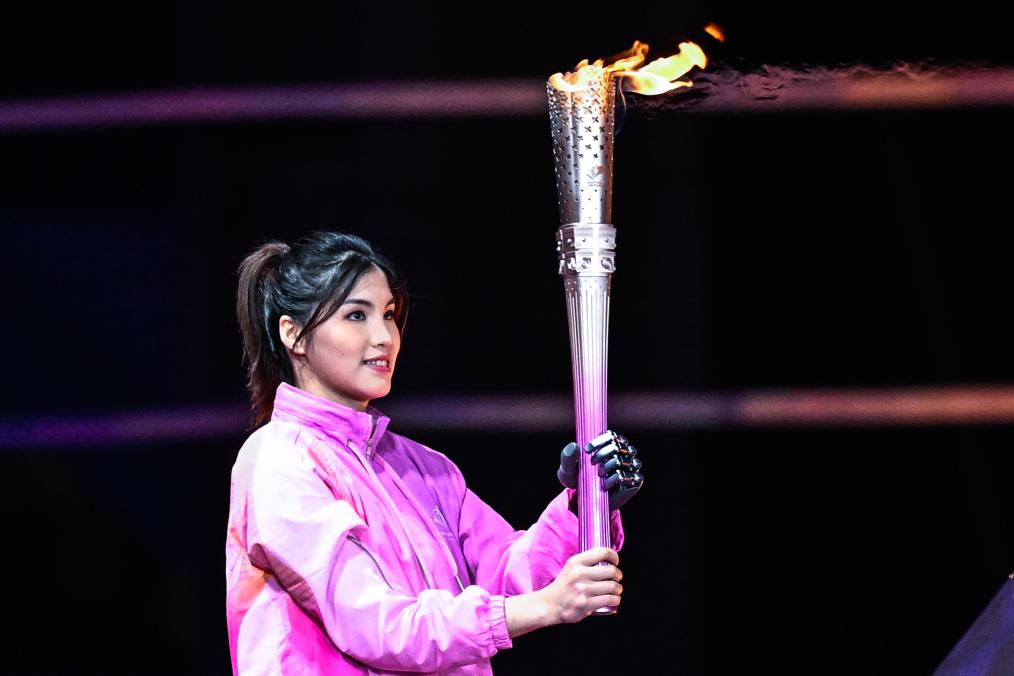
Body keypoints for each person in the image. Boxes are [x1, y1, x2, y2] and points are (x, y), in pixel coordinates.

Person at [226, 231, 644, 675]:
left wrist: (584, 507)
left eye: (389, 314)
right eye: (356, 315)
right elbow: (378, 625)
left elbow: (507, 576)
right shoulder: (281, 460)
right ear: (293, 334)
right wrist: (544, 606)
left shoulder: (423, 468)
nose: (384, 336)